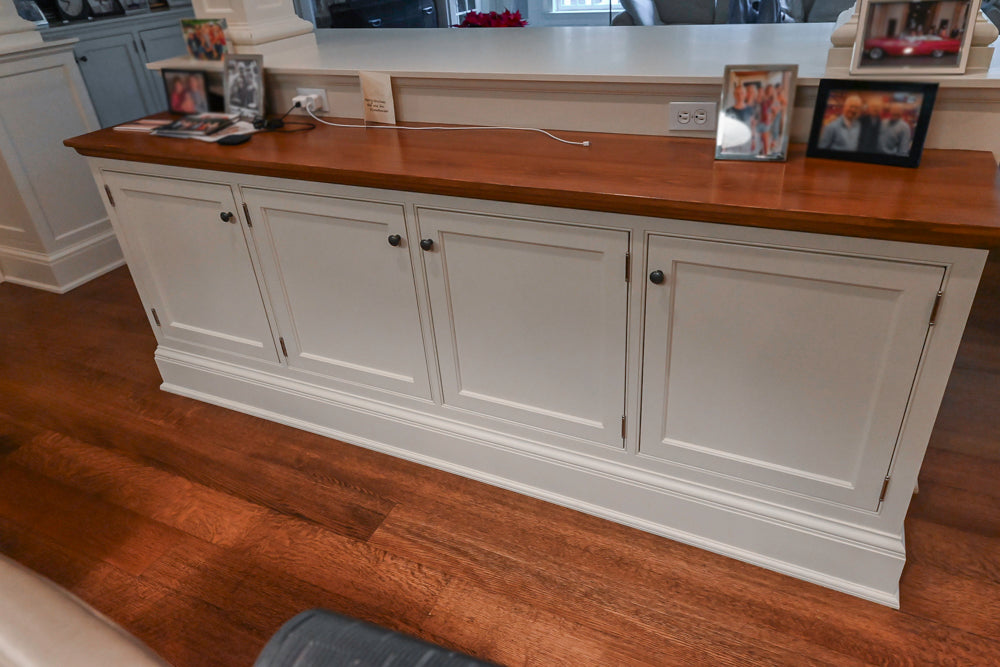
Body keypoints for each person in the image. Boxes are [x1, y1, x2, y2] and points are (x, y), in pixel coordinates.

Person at [721, 81, 756, 154]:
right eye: (737, 94)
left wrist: (753, 140)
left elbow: (752, 126)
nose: (740, 96)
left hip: (746, 143)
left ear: (745, 94)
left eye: (742, 93)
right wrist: (723, 145)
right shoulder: (728, 111)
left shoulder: (750, 110)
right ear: (734, 95)